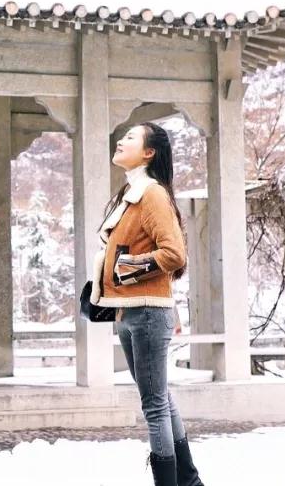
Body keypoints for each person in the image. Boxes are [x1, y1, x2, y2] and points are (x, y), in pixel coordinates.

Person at [87, 121, 205, 486]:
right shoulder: (131, 193)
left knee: (154, 405)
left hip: (149, 311)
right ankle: (189, 480)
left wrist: (125, 269)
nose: (121, 141)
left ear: (149, 152)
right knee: (160, 398)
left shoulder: (151, 193)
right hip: (129, 311)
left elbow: (174, 253)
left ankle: (175, 482)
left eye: (131, 138)